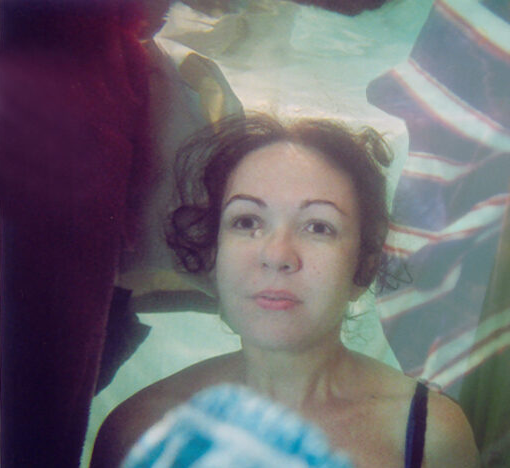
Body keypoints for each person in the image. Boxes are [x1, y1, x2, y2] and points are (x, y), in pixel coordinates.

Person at [90, 114, 480, 468]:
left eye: (318, 227)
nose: (277, 255)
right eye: (247, 221)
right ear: (213, 251)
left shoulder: (432, 435)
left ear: (363, 265)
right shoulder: (135, 431)